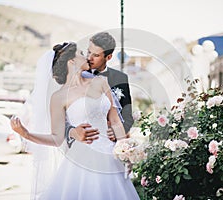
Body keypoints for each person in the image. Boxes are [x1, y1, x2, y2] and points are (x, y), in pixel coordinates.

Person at [11, 42, 140, 200]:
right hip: (82, 160)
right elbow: (56, 138)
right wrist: (26, 134)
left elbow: (115, 121)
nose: (86, 56)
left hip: (110, 157)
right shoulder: (58, 97)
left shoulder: (100, 82)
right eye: (81, 53)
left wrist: (125, 151)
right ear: (71, 61)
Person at [66, 31, 134, 144]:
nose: (89, 58)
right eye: (88, 52)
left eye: (96, 55)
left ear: (109, 57)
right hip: (82, 142)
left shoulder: (120, 78)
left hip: (109, 142)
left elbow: (127, 115)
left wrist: (118, 132)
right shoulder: (76, 75)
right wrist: (72, 132)